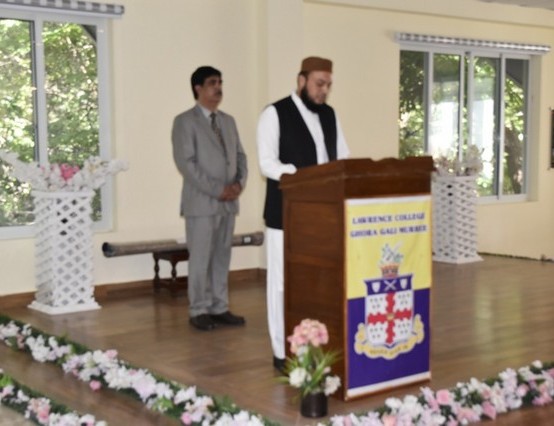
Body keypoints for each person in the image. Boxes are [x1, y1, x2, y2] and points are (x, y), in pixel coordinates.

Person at [256, 56, 349, 371]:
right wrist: (304, 177)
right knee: (282, 285)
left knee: (317, 283)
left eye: (328, 85)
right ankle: (281, 352)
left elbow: (342, 159)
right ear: (301, 81)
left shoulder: (329, 115)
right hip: (286, 216)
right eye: (319, 84)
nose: (324, 90)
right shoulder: (274, 113)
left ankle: (314, 347)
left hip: (322, 218)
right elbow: (267, 164)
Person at [172, 66, 248, 331]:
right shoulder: (185, 122)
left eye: (220, 82)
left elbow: (240, 157)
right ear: (198, 88)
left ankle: (219, 307)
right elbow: (187, 164)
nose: (218, 88)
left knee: (221, 257)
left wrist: (238, 184)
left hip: (228, 203)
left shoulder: (228, 121)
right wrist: (218, 189)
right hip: (201, 203)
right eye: (212, 83)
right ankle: (199, 310)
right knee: (201, 258)